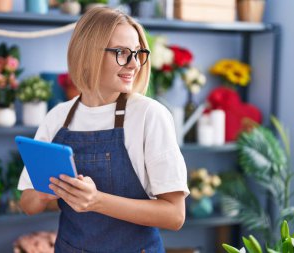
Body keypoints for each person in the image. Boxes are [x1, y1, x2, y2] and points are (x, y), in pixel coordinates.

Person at [18, 7, 189, 253]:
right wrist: (47, 191)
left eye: (138, 53)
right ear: (87, 55)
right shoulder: (58, 118)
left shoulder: (150, 115)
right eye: (121, 53)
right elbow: (27, 203)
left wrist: (97, 202)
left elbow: (174, 215)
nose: (133, 64)